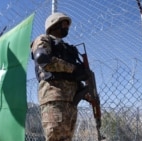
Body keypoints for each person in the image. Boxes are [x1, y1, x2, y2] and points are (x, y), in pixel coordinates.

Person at [31, 12, 88, 141]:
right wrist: (73, 68)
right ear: (53, 25)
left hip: (71, 101)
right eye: (63, 24)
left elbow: (74, 75)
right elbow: (43, 59)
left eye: (67, 25)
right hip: (54, 98)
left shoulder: (68, 48)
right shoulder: (43, 39)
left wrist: (84, 87)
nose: (66, 27)